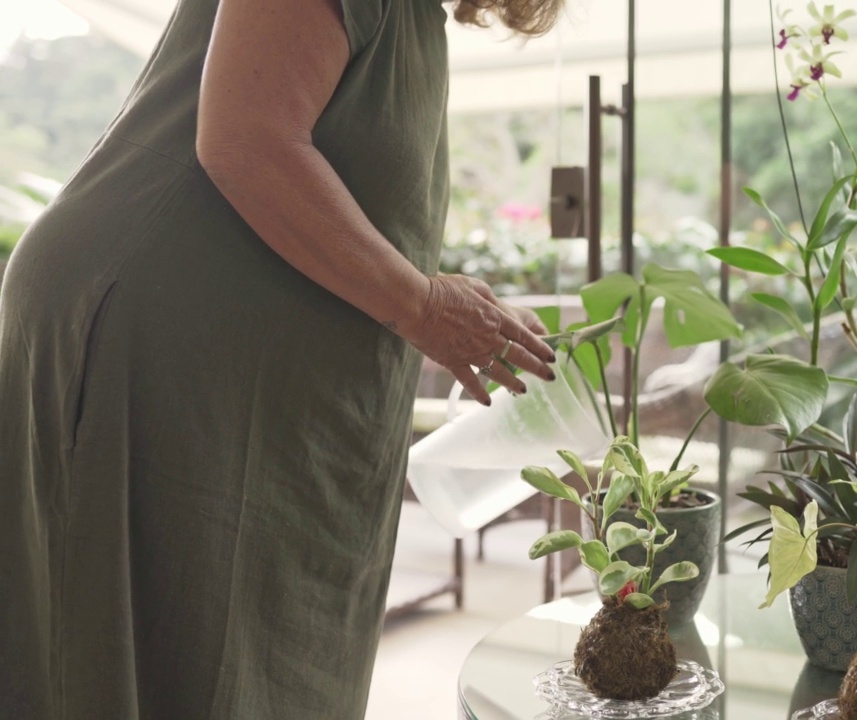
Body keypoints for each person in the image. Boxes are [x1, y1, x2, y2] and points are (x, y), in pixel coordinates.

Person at [0, 0, 564, 717]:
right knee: (146, 670)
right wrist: (421, 306)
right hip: (160, 345)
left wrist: (443, 299)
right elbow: (247, 139)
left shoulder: (418, 20)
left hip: (238, 371)